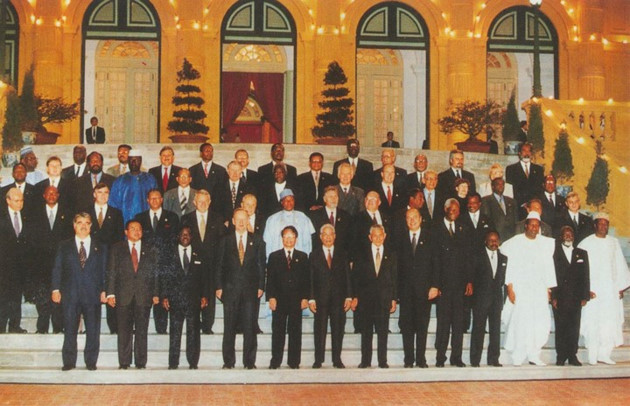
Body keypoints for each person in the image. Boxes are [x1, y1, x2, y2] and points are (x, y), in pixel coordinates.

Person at [51, 212, 108, 371]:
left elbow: (105, 271)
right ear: (74, 225)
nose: (83, 226)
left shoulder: (101, 247)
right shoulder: (64, 246)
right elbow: (57, 268)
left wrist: (105, 290)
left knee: (93, 330)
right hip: (70, 294)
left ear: (91, 226)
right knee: (69, 329)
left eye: (87, 223)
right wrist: (55, 289)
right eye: (80, 222)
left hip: (92, 294)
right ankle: (69, 361)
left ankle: (91, 361)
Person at [501, 211, 556, 366]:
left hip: (539, 289)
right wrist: (510, 288)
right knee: (521, 322)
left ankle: (534, 355)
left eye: (536, 225)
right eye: (531, 225)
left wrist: (548, 289)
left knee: (538, 322)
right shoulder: (515, 242)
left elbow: (548, 266)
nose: (534, 228)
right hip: (521, 289)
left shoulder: (545, 244)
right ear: (526, 225)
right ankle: (518, 355)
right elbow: (510, 266)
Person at [216, 209, 266, 369]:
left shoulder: (257, 240)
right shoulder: (225, 241)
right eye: (238, 219)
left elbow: (261, 265)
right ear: (233, 221)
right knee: (229, 326)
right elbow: (219, 265)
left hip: (250, 290)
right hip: (230, 290)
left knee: (250, 326)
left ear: (248, 220)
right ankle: (228, 361)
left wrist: (261, 286)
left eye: (244, 219)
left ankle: (249, 361)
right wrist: (218, 286)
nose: (241, 222)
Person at [577, 213, 630, 365]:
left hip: (610, 291)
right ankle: (592, 354)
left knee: (609, 322)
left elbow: (619, 264)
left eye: (605, 224)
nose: (603, 227)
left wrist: (620, 287)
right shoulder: (585, 243)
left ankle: (604, 354)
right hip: (593, 291)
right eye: (600, 224)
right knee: (593, 322)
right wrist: (585, 289)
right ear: (595, 225)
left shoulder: (614, 243)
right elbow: (579, 270)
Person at [106, 220, 159, 369]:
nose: (136, 231)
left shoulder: (151, 249)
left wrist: (156, 293)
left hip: (144, 295)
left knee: (142, 330)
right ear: (126, 232)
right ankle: (124, 362)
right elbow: (111, 271)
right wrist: (110, 293)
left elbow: (155, 273)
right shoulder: (117, 248)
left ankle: (141, 362)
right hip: (123, 295)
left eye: (139, 228)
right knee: (124, 330)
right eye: (133, 228)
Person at [431, 198, 473, 367]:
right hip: (443, 285)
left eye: (456, 210)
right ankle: (440, 357)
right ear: (445, 209)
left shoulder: (464, 228)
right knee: (443, 323)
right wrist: (436, 284)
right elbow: (434, 259)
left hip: (459, 285)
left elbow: (468, 257)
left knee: (458, 323)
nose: (453, 212)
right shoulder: (435, 228)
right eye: (451, 209)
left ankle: (457, 357)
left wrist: (469, 281)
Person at [161, 226, 209, 370]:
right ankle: (173, 362)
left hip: (194, 299)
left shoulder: (200, 253)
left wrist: (205, 295)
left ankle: (193, 362)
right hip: (175, 299)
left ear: (192, 237)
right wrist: (164, 296)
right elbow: (164, 277)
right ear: (178, 237)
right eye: (182, 234)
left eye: (188, 234)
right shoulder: (170, 254)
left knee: (193, 332)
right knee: (175, 332)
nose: (185, 236)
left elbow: (205, 277)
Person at [134, 189, 179, 334]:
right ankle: (140, 327)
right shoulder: (139, 218)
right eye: (151, 198)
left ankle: (161, 328)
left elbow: (175, 240)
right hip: (145, 263)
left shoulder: (172, 217)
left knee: (162, 293)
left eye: (157, 198)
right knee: (144, 294)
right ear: (147, 200)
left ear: (162, 200)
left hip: (165, 263)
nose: (154, 201)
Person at [181, 189, 226, 335]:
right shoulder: (186, 219)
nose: (202, 204)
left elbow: (222, 243)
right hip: (192, 265)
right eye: (199, 201)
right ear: (194, 202)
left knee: (209, 295)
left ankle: (207, 326)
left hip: (212, 264)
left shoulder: (217, 219)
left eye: (205, 201)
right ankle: (194, 324)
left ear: (210, 202)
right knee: (193, 294)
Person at [353, 225, 397, 368]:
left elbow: (395, 278)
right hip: (366, 299)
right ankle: (365, 360)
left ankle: (382, 361)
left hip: (384, 298)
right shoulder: (361, 254)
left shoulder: (392, 254)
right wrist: (355, 296)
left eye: (380, 235)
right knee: (366, 332)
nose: (378, 238)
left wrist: (394, 298)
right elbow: (356, 277)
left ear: (385, 236)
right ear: (369, 237)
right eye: (375, 235)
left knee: (383, 331)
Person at [309, 224, 352, 369]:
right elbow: (311, 278)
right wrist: (311, 298)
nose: (328, 237)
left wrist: (349, 296)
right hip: (320, 298)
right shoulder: (314, 255)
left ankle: (336, 359)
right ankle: (318, 359)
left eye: (330, 234)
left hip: (339, 298)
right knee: (319, 329)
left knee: (338, 329)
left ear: (335, 236)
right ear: (320, 237)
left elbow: (347, 276)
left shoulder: (342, 253)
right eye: (325, 235)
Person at [31, 186, 73, 334]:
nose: (51, 195)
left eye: (54, 193)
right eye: (48, 193)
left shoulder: (67, 213)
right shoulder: (35, 213)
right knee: (42, 297)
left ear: (58, 195)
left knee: (58, 295)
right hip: (40, 263)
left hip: (60, 262)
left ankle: (58, 327)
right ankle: (42, 327)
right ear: (44, 195)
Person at [267, 226, 310, 369]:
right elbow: (270, 279)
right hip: (279, 300)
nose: (289, 239)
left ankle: (294, 361)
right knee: (277, 332)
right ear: (282, 239)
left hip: (296, 300)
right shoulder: (274, 256)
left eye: (292, 237)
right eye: (286, 236)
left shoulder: (303, 257)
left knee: (295, 332)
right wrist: (271, 297)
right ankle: (275, 361)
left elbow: (306, 280)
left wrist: (305, 297)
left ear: (296, 238)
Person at [396, 208, 433, 368]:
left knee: (422, 326)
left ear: (421, 218)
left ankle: (421, 359)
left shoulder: (430, 237)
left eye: (415, 217)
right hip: (405, 291)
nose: (412, 220)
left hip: (424, 290)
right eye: (408, 217)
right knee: (407, 326)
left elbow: (436, 263)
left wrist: (435, 285)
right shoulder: (400, 238)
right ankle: (408, 359)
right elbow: (396, 267)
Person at [87, 182, 124, 334]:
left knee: (110, 291)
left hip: (110, 259)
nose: (103, 195)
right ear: (94, 194)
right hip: (90, 259)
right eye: (100, 192)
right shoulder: (86, 212)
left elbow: (119, 238)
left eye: (106, 192)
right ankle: (90, 327)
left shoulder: (116, 213)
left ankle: (114, 328)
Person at [552, 226, 590, 366]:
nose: (568, 236)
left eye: (570, 234)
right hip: (560, 297)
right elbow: (551, 275)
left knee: (574, 327)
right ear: (561, 236)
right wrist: (553, 297)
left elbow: (586, 275)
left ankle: (573, 355)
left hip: (576, 297)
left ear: (574, 236)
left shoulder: (582, 253)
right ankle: (561, 356)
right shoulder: (554, 253)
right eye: (565, 234)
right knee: (561, 327)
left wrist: (584, 296)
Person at [469, 231, 507, 367]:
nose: (493, 243)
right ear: (485, 241)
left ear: (499, 241)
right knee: (478, 329)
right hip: (480, 299)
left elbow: (502, 280)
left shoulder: (504, 258)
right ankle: (475, 360)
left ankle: (494, 359)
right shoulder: (477, 256)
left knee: (495, 330)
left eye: (496, 240)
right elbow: (472, 277)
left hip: (496, 299)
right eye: (490, 240)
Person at [0, 188, 33, 333]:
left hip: (20, 266)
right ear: (8, 201)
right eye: (16, 200)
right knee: (2, 296)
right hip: (3, 265)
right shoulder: (1, 216)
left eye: (21, 200)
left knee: (16, 296)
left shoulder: (27, 216)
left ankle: (14, 325)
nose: (20, 203)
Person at [262, 189, 315, 259]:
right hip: (277, 258)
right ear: (282, 202)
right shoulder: (272, 219)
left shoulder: (303, 218)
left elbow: (308, 242)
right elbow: (268, 243)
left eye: (291, 200)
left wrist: (306, 259)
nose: (289, 202)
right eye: (286, 200)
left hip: (299, 258)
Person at [109, 150, 157, 224]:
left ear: (140, 161)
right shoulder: (120, 180)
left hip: (146, 221)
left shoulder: (150, 179)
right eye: (131, 160)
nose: (134, 162)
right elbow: (113, 204)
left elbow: (156, 201)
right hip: (124, 221)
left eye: (136, 160)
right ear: (128, 161)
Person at [505, 142, 544, 219]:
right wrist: (523, 204)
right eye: (524, 150)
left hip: (535, 208)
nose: (527, 153)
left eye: (529, 151)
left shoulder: (538, 169)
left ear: (531, 153)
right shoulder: (511, 169)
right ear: (519, 153)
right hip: (518, 208)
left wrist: (533, 204)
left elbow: (540, 189)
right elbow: (511, 190)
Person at [308, 186, 352, 252]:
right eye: (330, 197)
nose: (333, 199)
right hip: (321, 254)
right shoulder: (315, 216)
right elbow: (313, 239)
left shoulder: (346, 216)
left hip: (340, 254)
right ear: (324, 199)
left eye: (335, 196)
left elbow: (348, 239)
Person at [481, 178, 519, 242]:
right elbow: (486, 219)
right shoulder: (486, 200)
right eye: (498, 184)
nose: (501, 186)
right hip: (496, 237)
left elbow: (516, 220)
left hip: (511, 236)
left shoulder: (512, 201)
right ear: (492, 186)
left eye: (502, 184)